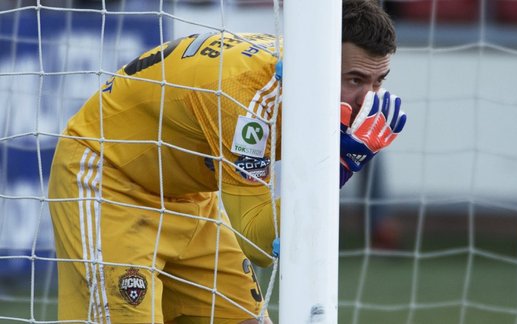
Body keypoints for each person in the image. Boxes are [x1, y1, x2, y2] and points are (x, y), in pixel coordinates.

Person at [47, 0, 405, 323]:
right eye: (354, 80)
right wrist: (340, 164)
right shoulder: (248, 97)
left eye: (378, 82)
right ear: (317, 63)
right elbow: (259, 243)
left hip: (189, 196)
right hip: (110, 180)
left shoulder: (301, 68)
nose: (367, 102)